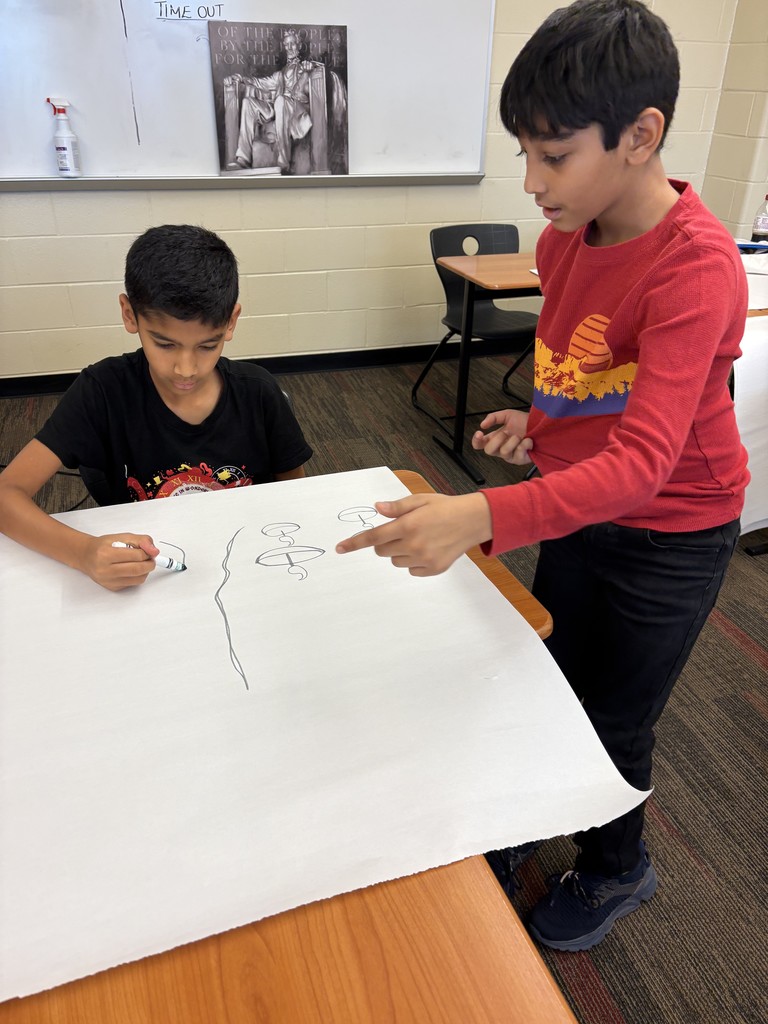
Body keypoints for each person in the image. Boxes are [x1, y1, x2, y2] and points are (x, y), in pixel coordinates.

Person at [336, 0, 749, 952]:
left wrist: (480, 513)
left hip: (674, 534)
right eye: (524, 152)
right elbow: (590, 378)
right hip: (584, 512)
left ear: (641, 135)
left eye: (553, 156)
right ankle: (534, 811)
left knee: (616, 717)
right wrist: (542, 423)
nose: (530, 182)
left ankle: (617, 866)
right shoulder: (566, 240)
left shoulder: (695, 267)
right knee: (549, 677)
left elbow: (646, 462)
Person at [0, 224, 312, 592]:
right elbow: (6, 495)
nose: (186, 369)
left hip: (250, 565)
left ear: (231, 321)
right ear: (129, 314)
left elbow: (296, 498)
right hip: (150, 577)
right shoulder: (102, 392)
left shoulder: (258, 393)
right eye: (165, 344)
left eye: (207, 346)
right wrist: (83, 552)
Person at [225, 29, 347, 175]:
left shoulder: (306, 67)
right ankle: (243, 158)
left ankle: (283, 161)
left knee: (281, 101)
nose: (289, 48)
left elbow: (321, 76)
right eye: (287, 44)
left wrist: (308, 70)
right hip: (279, 108)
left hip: (297, 111)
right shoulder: (280, 75)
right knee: (248, 103)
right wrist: (241, 79)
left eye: (292, 44)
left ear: (299, 46)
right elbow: (260, 83)